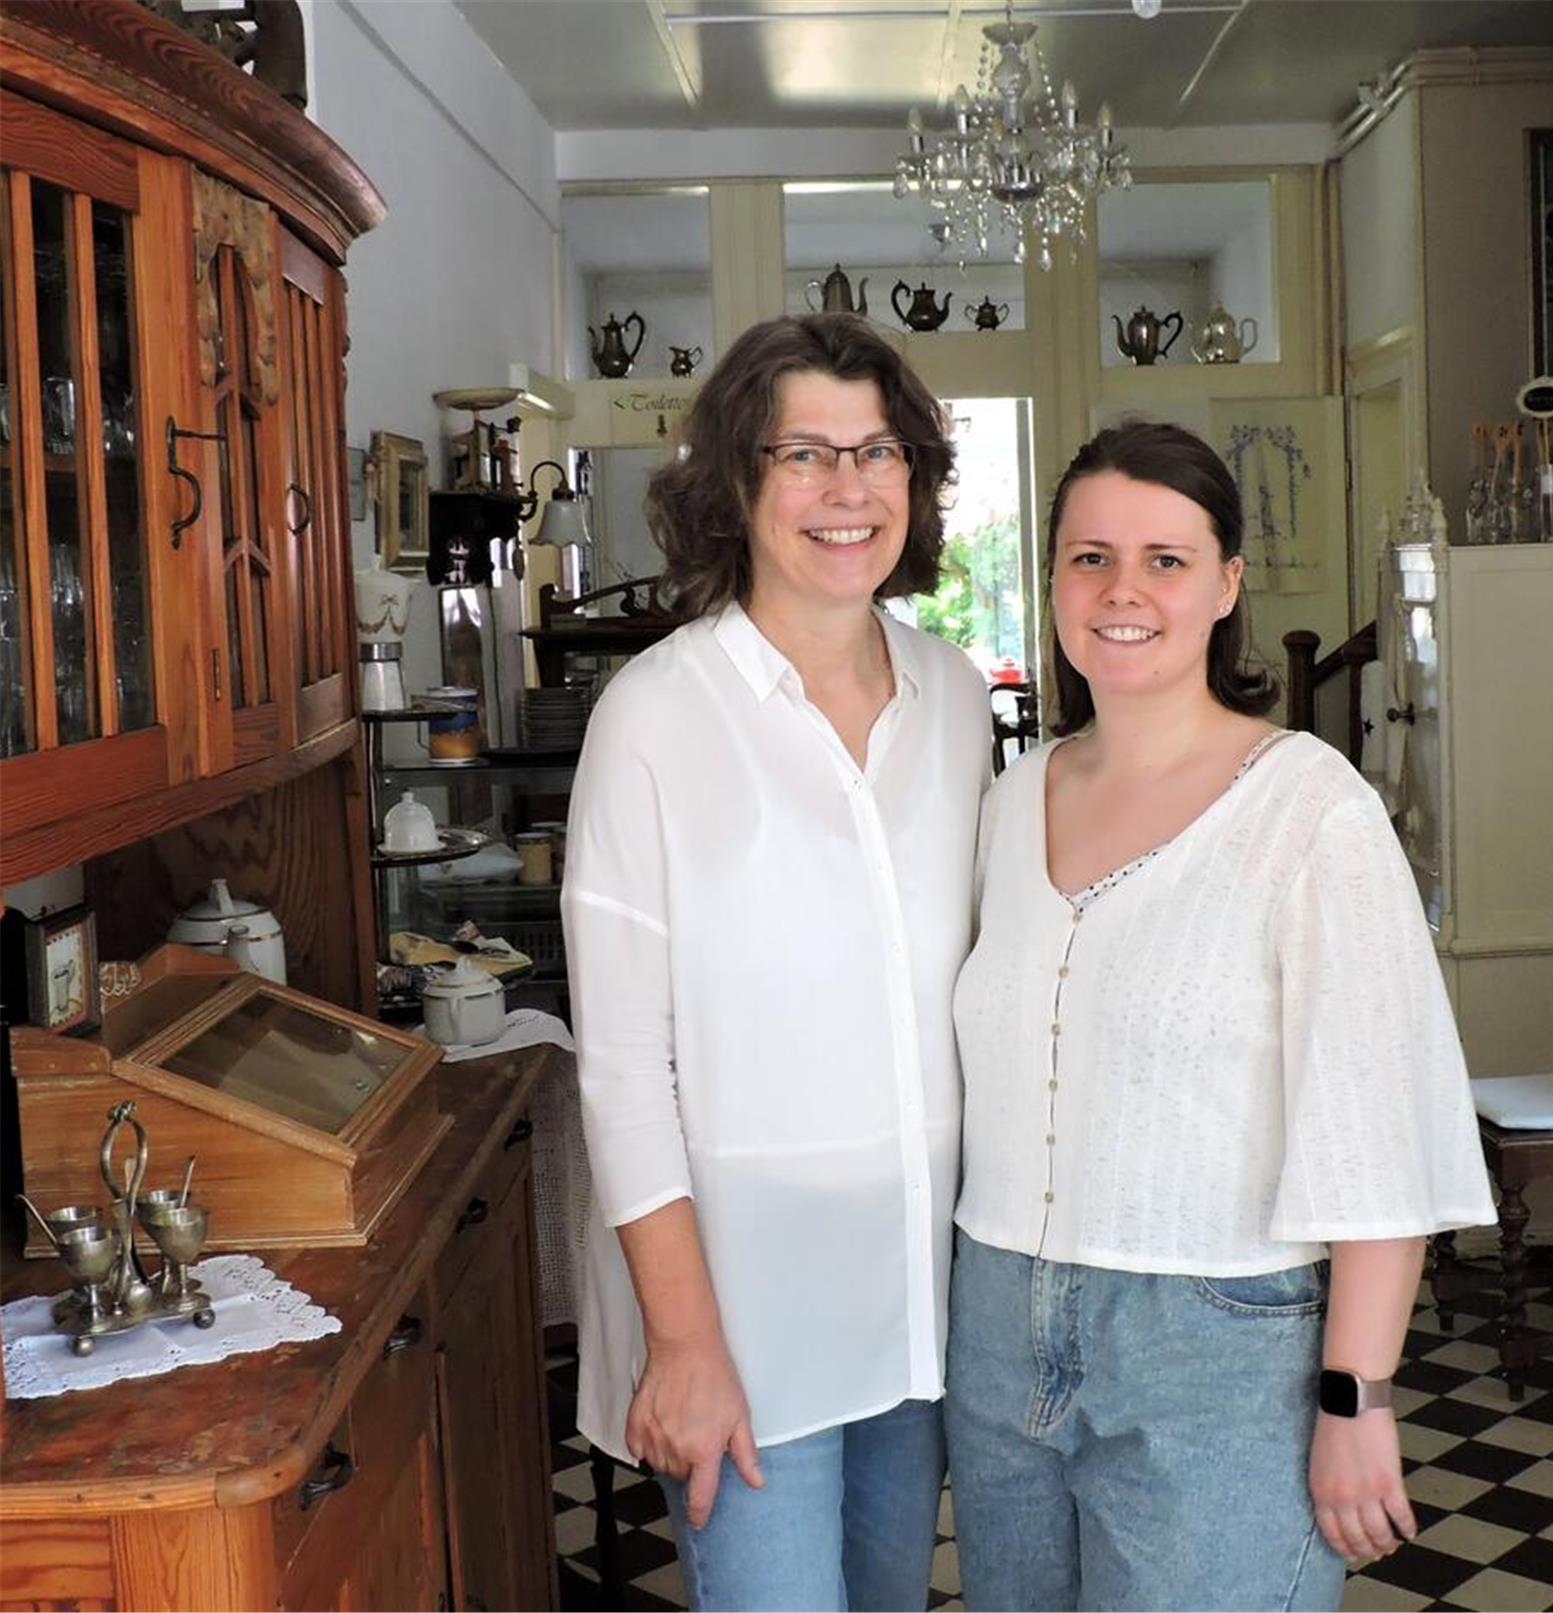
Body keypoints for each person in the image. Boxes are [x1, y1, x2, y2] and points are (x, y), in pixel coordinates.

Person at [946, 421, 1496, 1611]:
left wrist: (1356, 1392)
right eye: (1089, 557)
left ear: (1227, 583)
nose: (1122, 590)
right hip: (995, 1320)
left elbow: (1376, 1128)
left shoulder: (1309, 810)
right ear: (1051, 582)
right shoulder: (1007, 798)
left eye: (1166, 558)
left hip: (1216, 1340)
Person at [561, 314, 991, 1612]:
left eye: (877, 452)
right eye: (802, 454)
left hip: (916, 1301)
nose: (846, 490)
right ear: (736, 485)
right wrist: (684, 1343)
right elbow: (626, 1070)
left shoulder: (957, 699)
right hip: (740, 1316)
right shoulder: (655, 718)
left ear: (914, 480)